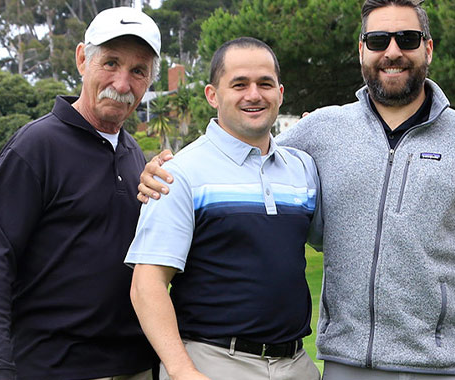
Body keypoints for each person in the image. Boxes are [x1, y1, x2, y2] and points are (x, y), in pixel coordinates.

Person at [140, 0, 455, 380]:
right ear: (361, 50)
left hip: (445, 367)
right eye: (378, 40)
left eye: (406, 39)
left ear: (428, 49)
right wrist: (162, 168)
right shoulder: (322, 130)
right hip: (345, 365)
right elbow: (244, 153)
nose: (392, 52)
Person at [0, 7, 162, 380]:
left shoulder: (133, 153)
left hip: (135, 365)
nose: (122, 84)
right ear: (82, 60)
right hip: (54, 368)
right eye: (111, 63)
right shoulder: (35, 147)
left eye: (138, 71)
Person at [126, 37, 322, 380]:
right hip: (213, 363)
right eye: (239, 84)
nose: (254, 95)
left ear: (280, 92)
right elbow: (147, 284)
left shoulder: (303, 168)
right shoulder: (178, 173)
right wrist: (182, 370)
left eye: (265, 84)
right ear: (212, 95)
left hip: (296, 364)